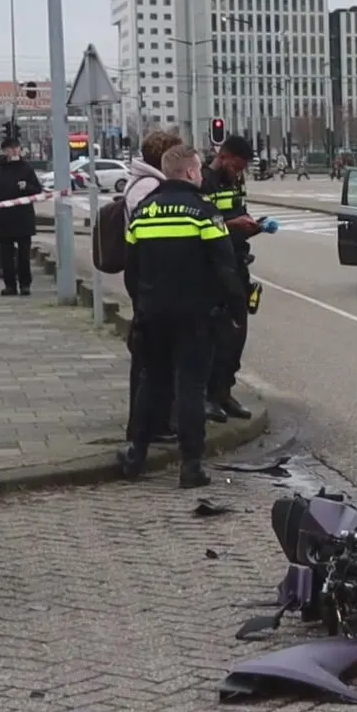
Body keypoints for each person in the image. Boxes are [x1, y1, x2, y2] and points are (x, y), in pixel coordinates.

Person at [119, 143, 249, 489]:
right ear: (191, 173)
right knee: (190, 389)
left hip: (154, 315)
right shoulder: (204, 213)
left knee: (152, 383)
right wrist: (236, 310)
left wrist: (143, 305)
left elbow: (131, 271)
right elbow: (224, 267)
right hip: (195, 317)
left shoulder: (145, 212)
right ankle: (191, 466)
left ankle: (136, 455)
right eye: (196, 171)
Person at [201, 136, 276, 423]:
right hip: (216, 268)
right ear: (224, 156)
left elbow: (237, 217)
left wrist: (256, 227)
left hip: (237, 262)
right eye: (237, 166)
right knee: (217, 333)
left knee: (238, 331)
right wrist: (233, 224)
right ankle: (209, 396)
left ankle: (224, 391)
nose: (239, 173)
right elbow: (203, 223)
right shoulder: (204, 183)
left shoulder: (233, 183)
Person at [123, 130, 187, 447]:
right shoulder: (150, 189)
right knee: (151, 361)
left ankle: (151, 423)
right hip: (152, 284)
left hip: (147, 282)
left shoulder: (145, 184)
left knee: (151, 359)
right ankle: (148, 426)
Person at [0, 137, 44, 295]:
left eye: (17, 147)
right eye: (11, 148)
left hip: (23, 218)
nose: (15, 150)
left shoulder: (26, 168)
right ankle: (10, 285)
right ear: (4, 151)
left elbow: (37, 190)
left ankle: (25, 284)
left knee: (24, 255)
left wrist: (27, 187)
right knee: (6, 255)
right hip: (3, 219)